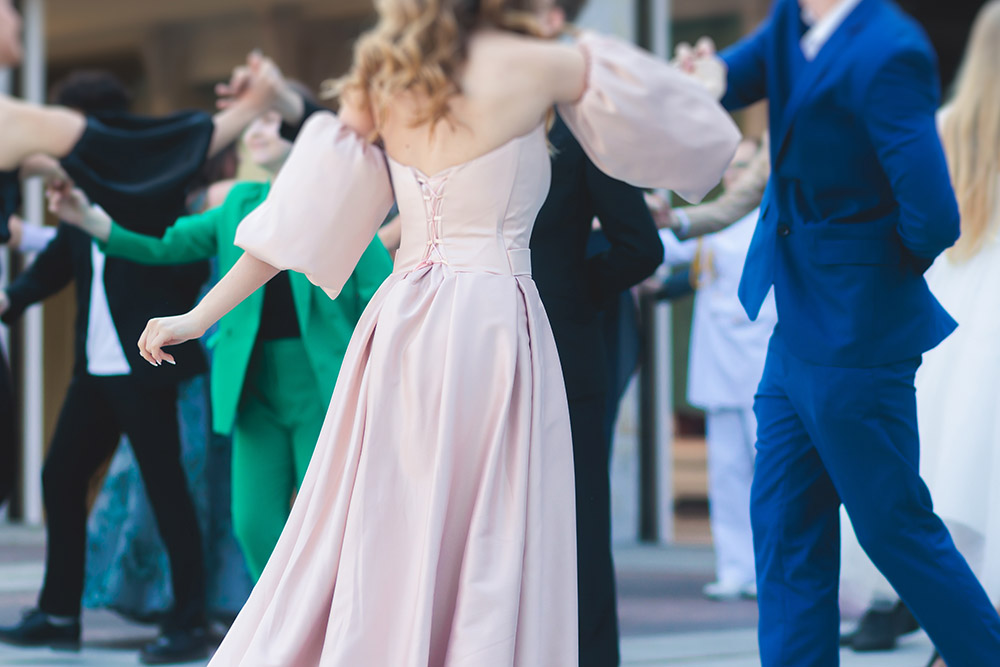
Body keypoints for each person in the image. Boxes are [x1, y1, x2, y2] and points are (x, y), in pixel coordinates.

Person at [133, 0, 741, 662]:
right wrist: (705, 85)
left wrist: (200, 315)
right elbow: (694, 145)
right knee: (490, 536)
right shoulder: (540, 65)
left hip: (401, 328)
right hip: (493, 329)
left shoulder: (386, 78)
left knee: (392, 527)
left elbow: (293, 226)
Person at [682, 0, 1000, 664]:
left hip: (858, 332)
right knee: (783, 531)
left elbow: (935, 217)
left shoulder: (890, 49)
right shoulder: (789, 25)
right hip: (793, 326)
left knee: (894, 529)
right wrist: (695, 76)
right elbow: (727, 79)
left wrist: (865, 276)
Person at [50, 106, 394, 582]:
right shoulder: (237, 204)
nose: (258, 129)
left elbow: (381, 291)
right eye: (255, 121)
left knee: (331, 520)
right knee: (253, 524)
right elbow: (166, 246)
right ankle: (284, 630)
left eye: (272, 119)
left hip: (323, 382)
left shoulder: (342, 203)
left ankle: (335, 631)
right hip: (251, 387)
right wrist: (88, 220)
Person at [838, 3, 1000, 664]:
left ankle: (956, 632)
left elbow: (912, 222)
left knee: (947, 472)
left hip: (956, 311)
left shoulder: (944, 129)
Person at [657, 138, 775, 602]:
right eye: (732, 168)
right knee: (726, 474)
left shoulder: (773, 220)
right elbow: (663, 250)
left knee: (769, 473)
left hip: (762, 364)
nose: (736, 176)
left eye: (746, 166)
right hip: (718, 367)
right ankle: (734, 568)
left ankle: (769, 570)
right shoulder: (709, 225)